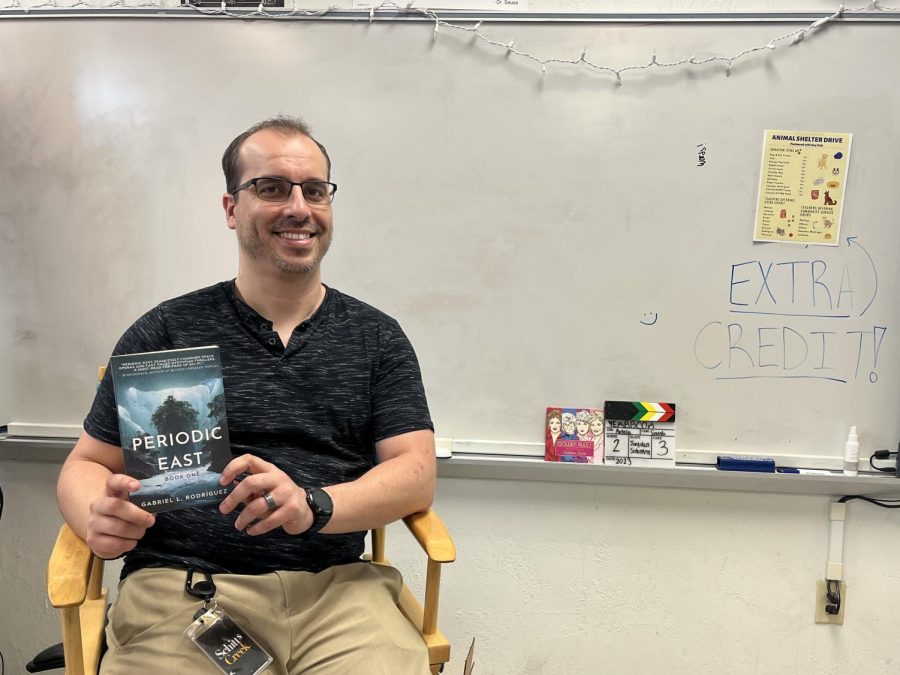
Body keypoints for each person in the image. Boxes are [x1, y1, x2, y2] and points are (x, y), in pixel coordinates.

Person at [56, 116, 436, 675]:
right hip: (186, 590)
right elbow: (86, 463)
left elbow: (415, 470)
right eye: (272, 187)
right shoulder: (166, 332)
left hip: (339, 593)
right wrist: (98, 514)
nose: (299, 207)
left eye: (315, 190)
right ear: (232, 208)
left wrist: (313, 505)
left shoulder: (377, 338)